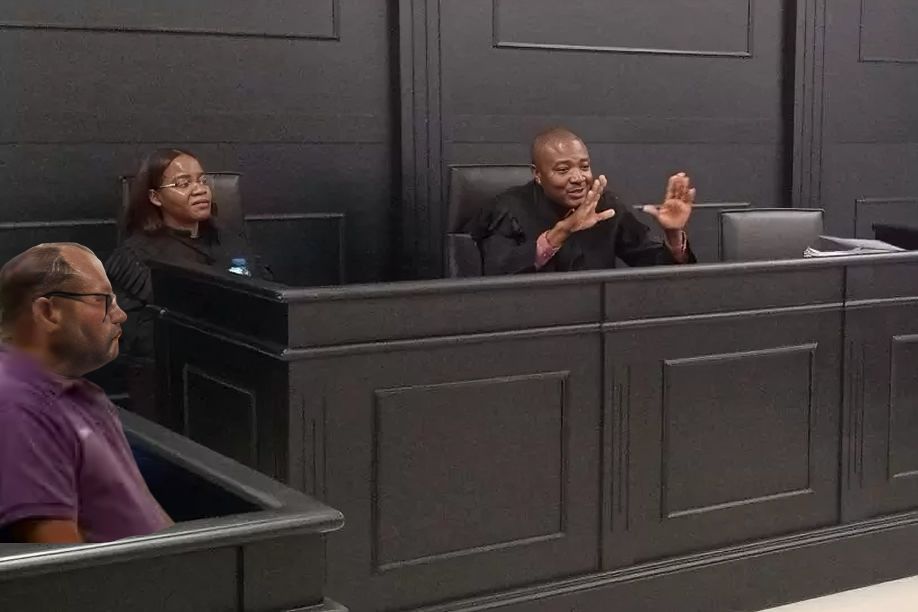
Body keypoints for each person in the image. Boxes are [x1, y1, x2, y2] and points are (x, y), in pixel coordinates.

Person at [0, 243, 172, 543]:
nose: (120, 315)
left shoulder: (71, 389)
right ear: (48, 312)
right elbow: (63, 560)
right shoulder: (19, 407)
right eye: (102, 300)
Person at [105, 149, 269, 366]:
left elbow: (268, 298)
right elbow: (136, 336)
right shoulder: (136, 256)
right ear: (155, 197)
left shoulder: (230, 239)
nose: (200, 190)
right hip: (178, 369)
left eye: (202, 181)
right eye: (183, 184)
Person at [470, 128, 698, 274]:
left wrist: (673, 236)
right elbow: (496, 273)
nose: (578, 178)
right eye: (563, 170)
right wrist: (561, 232)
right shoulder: (508, 209)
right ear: (537, 174)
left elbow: (655, 268)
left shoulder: (605, 206)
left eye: (584, 166)